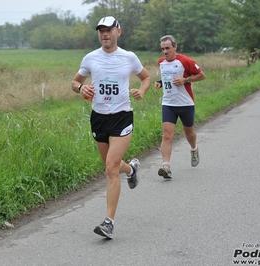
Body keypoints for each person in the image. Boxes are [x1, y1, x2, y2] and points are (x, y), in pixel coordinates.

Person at [71, 16, 151, 239]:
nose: (105, 34)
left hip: (121, 117)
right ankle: (132, 169)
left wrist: (142, 91)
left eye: (109, 30)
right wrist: (81, 89)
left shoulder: (129, 57)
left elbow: (145, 77)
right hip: (99, 117)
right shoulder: (90, 58)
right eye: (101, 30)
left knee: (110, 168)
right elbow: (74, 82)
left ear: (119, 32)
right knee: (112, 167)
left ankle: (108, 222)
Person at [154, 35, 205, 179]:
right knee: (167, 134)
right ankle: (166, 166)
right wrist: (161, 82)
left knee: (189, 133)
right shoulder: (161, 62)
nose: (165, 51)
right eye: (163, 49)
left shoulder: (186, 61)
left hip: (186, 103)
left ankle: (194, 149)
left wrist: (185, 80)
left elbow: (202, 75)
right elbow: (168, 78)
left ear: (175, 47)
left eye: (168, 48)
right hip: (168, 103)